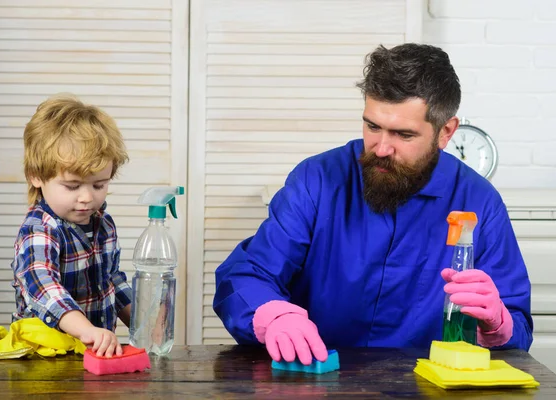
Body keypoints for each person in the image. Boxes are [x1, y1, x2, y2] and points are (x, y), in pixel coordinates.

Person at [213, 43, 533, 366]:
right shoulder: (317, 181)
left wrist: (499, 327)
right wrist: (274, 315)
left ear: (445, 132)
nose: (381, 148)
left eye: (403, 135)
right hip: (314, 380)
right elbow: (246, 275)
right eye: (372, 126)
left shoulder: (481, 203)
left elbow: (518, 326)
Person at [10, 95, 132, 357]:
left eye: (99, 185)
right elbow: (43, 286)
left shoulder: (104, 224)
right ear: (36, 176)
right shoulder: (40, 228)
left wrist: (142, 318)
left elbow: (111, 280)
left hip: (93, 352)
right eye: (72, 186)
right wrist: (85, 329)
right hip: (43, 356)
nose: (87, 197)